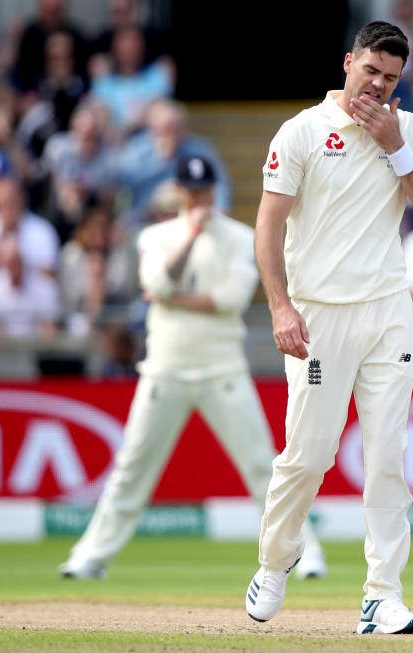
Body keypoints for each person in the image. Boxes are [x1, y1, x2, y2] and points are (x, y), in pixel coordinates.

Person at [247, 21, 413, 634]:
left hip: (389, 311)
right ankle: (276, 561)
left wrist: (395, 145)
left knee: (388, 457)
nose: (379, 87)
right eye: (371, 72)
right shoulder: (302, 131)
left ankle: (381, 595)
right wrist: (281, 307)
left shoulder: (406, 128)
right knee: (309, 457)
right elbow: (268, 227)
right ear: (347, 64)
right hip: (319, 316)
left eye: (391, 79)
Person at [58, 155, 326, 581]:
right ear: (180, 191)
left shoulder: (240, 237)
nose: (200, 197)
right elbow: (158, 283)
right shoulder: (157, 236)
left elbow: (230, 299)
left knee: (262, 465)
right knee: (132, 468)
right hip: (164, 367)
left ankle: (305, 553)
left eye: (206, 190)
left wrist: (169, 298)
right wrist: (192, 237)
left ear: (214, 190)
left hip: (223, 368)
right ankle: (89, 556)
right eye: (193, 190)